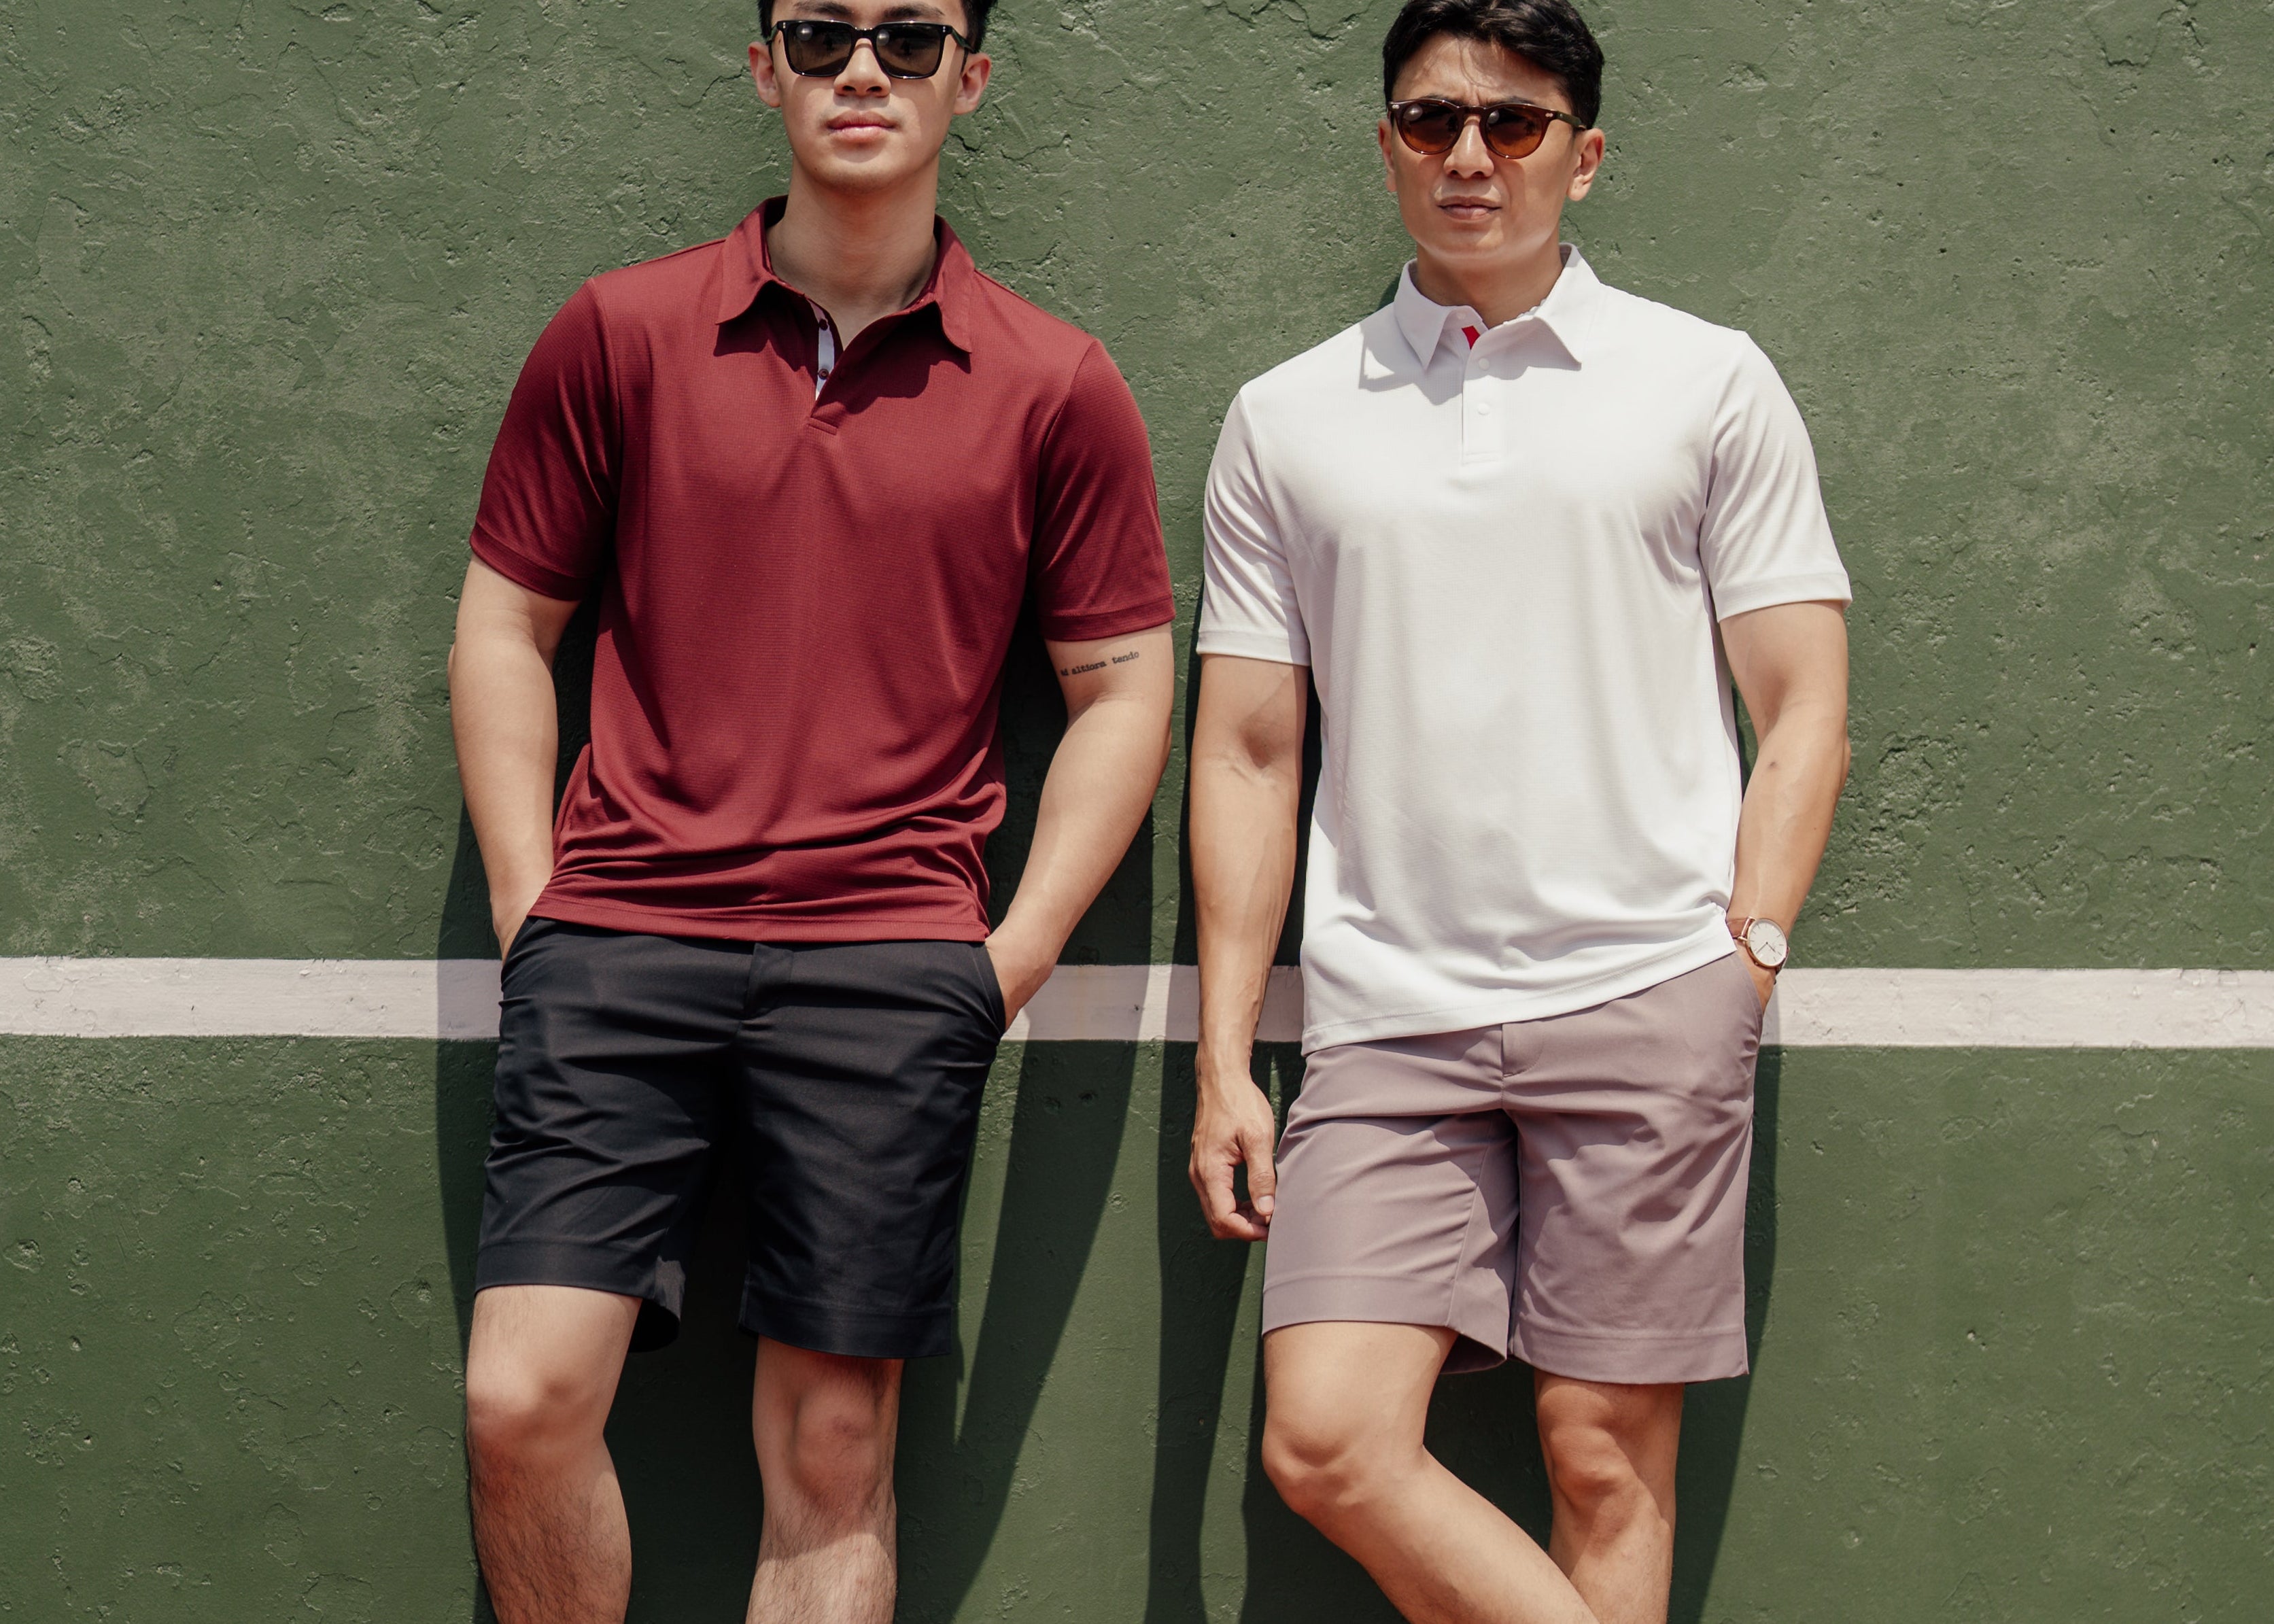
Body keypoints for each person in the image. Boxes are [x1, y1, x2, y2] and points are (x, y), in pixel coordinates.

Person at [445, 1, 1177, 1618]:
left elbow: (1125, 689)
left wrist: (1007, 956)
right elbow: (506, 624)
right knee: (518, 1398)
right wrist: (528, 904)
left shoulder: (1053, 381)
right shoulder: (620, 333)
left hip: (889, 959)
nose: (863, 70)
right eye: (823, 34)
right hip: (617, 935)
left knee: (835, 1444)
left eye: (909, 40)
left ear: (969, 78)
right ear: (763, 63)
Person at [1186, 1, 1853, 1619]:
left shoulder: (1704, 380)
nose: (1468, 155)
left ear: (1584, 155)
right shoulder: (1287, 416)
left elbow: (1802, 702)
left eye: (1512, 123)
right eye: (1430, 121)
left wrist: (1746, 956)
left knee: (1602, 1461)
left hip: (1647, 994)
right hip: (1384, 1023)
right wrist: (1222, 1057)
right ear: (1385, 148)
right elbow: (1248, 752)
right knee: (1326, 1441)